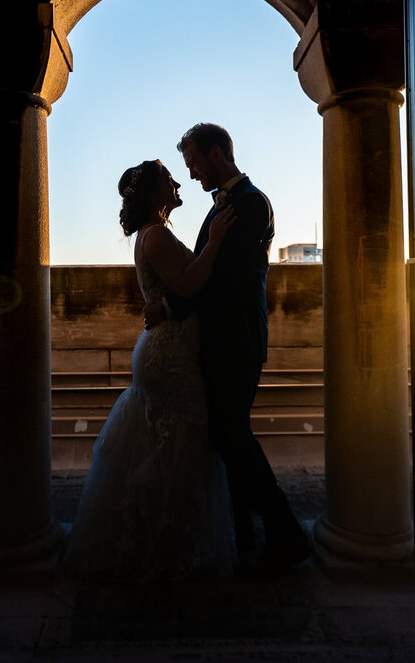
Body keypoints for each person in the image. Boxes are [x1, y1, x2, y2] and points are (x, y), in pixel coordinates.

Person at [146, 122, 312, 574]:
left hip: (236, 339)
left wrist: (168, 304)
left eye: (196, 162)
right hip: (221, 339)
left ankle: (286, 532)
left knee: (231, 435)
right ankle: (247, 534)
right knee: (228, 435)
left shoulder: (251, 204)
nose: (194, 174)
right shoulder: (222, 207)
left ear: (218, 153)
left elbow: (223, 277)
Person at [62, 159, 238, 581]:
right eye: (168, 179)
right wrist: (214, 242)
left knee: (169, 449)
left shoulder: (157, 232)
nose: (178, 181)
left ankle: (158, 539)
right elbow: (189, 285)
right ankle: (165, 547)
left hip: (170, 349)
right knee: (179, 449)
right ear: (154, 193)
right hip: (169, 356)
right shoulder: (156, 235)